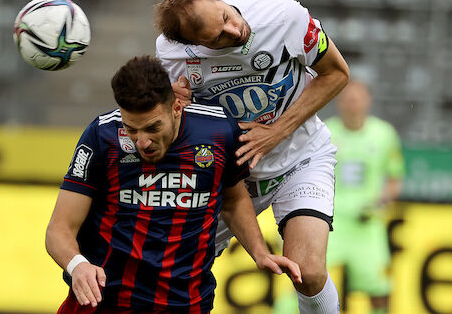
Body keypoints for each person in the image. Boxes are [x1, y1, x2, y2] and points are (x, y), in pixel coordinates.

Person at [45, 55, 302, 314]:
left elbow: (234, 201)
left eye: (152, 128)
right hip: (105, 301)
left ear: (177, 107)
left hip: (185, 303)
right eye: (131, 129)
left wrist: (259, 252)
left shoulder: (218, 131)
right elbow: (59, 230)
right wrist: (77, 265)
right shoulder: (101, 135)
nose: (141, 141)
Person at [154, 0, 350, 313]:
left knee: (308, 272)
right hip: (232, 182)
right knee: (171, 271)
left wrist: (275, 132)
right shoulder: (171, 55)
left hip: (299, 158)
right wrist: (176, 107)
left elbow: (336, 74)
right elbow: (166, 125)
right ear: (195, 45)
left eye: (226, 16)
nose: (235, 30)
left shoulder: (284, 17)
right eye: (218, 37)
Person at [325, 80, 404, 314]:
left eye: (357, 99)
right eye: (348, 99)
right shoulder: (325, 132)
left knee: (379, 289)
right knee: (308, 281)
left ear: (368, 101)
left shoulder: (384, 134)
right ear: (339, 102)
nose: (353, 104)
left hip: (367, 225)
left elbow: (394, 179)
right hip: (331, 222)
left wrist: (379, 202)